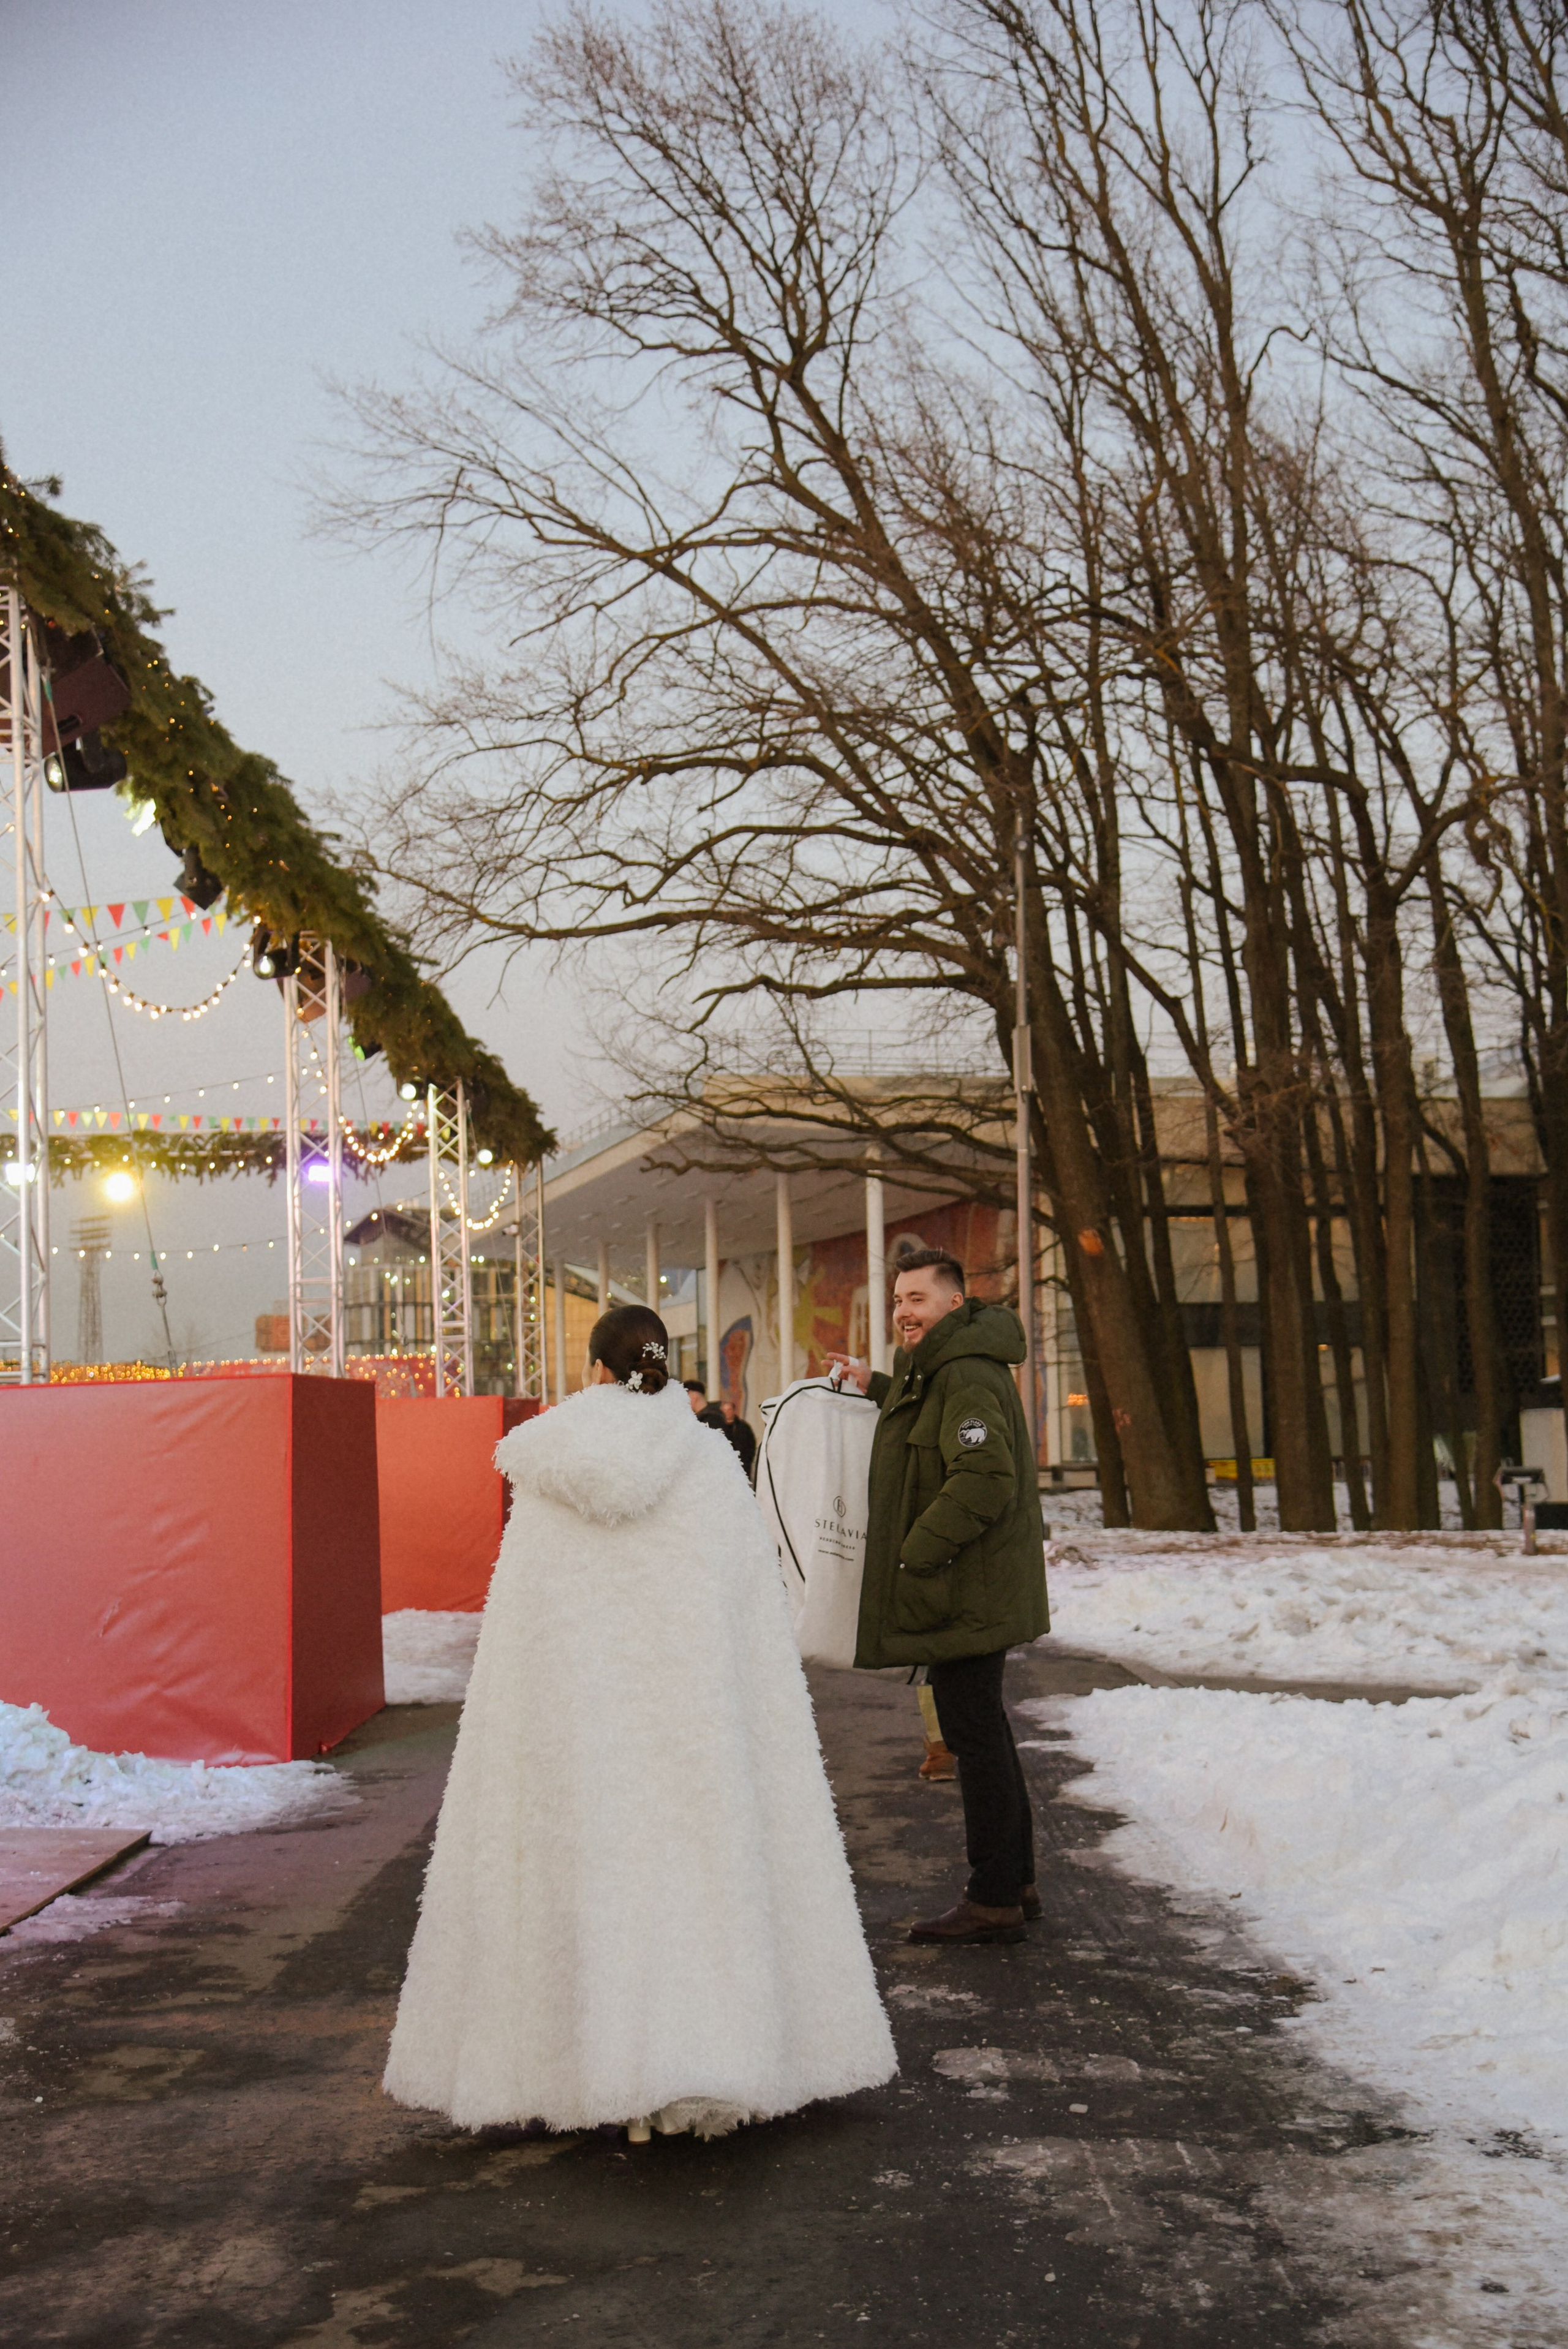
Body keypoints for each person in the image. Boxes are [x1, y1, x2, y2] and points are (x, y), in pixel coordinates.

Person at [384, 1303, 895, 2140]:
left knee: (584, 1884)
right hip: (695, 1730)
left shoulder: (546, 1471)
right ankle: (713, 2056)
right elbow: (748, 1619)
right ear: (665, 1366)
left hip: (582, 1739)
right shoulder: (709, 1465)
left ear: (593, 1369)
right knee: (699, 1874)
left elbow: (524, 1637)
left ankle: (583, 2068)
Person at [827, 1250, 1049, 1946]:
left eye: (918, 1298)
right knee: (984, 1732)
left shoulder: (965, 1374)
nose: (903, 1310)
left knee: (972, 1736)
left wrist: (915, 1551)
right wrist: (876, 1384)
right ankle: (1012, 1882)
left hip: (966, 1590)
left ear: (955, 1304)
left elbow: (984, 1473)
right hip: (972, 1587)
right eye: (898, 1299)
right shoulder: (947, 1372)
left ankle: (993, 1898)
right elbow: (934, 1422)